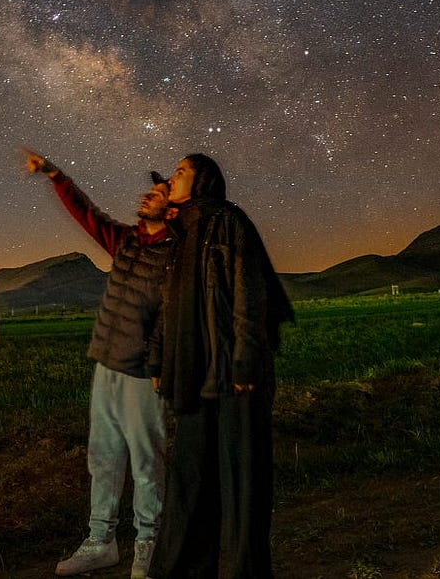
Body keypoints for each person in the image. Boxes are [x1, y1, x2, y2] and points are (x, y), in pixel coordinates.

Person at [25, 149, 176, 579]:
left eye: (159, 192)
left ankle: (148, 545)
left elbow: (171, 314)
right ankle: (101, 542)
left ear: (174, 206)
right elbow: (86, 213)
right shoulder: (126, 240)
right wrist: (55, 174)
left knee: (147, 461)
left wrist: (159, 363)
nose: (147, 196)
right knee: (103, 457)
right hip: (106, 364)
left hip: (143, 372)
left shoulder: (175, 254)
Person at [148, 154, 293, 579]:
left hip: (233, 374)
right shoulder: (177, 234)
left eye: (180, 171)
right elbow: (167, 303)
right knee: (190, 479)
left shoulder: (229, 222)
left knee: (242, 481)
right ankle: (187, 569)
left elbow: (250, 291)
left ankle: (245, 571)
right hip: (193, 374)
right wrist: (159, 356)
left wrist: (246, 360)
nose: (171, 177)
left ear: (203, 180)